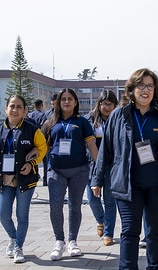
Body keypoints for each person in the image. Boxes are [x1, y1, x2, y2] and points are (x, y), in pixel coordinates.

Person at [91, 68, 158, 270]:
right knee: (129, 231)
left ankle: (154, 267)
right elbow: (105, 149)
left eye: (150, 86)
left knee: (155, 231)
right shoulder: (118, 115)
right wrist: (96, 179)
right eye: (141, 85)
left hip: (157, 185)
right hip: (127, 185)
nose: (145, 90)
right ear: (131, 89)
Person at [0, 95, 47, 263]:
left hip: (25, 178)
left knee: (22, 216)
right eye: (12, 106)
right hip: (3, 178)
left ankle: (19, 247)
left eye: (19, 107)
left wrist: (32, 163)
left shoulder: (32, 129)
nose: (15, 109)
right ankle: (13, 237)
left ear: (25, 110)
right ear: (6, 108)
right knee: (3, 214)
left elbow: (43, 148)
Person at [41, 88, 99, 260]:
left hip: (79, 170)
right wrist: (31, 158)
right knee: (55, 205)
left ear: (75, 102)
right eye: (63, 99)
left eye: (70, 99)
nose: (67, 102)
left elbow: (92, 146)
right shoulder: (49, 122)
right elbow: (41, 145)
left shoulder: (82, 122)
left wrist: (99, 167)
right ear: (58, 102)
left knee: (75, 206)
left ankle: (73, 241)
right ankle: (59, 241)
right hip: (56, 170)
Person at [84, 90, 119, 246]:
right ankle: (101, 220)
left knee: (110, 201)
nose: (106, 107)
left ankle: (108, 233)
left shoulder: (118, 119)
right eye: (103, 103)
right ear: (98, 104)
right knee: (92, 199)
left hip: (111, 166)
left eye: (110, 104)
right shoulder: (89, 120)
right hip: (92, 165)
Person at [40, 93, 58, 187]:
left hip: (60, 144)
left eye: (56, 103)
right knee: (47, 163)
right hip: (48, 143)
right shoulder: (47, 114)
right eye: (52, 104)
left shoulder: (66, 114)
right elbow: (42, 129)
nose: (54, 106)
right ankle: (46, 180)